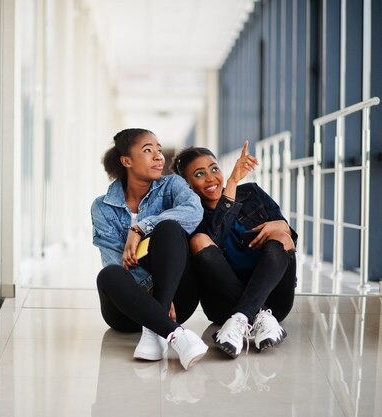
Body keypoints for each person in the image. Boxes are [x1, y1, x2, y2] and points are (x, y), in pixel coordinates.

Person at [91, 128, 208, 370]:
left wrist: (141, 227)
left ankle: (157, 329)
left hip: (177, 299)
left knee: (169, 229)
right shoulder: (102, 207)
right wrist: (150, 294)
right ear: (127, 161)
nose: (158, 156)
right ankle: (176, 335)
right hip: (126, 311)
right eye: (147, 150)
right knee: (109, 274)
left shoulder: (172, 185)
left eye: (158, 149)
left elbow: (194, 211)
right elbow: (114, 260)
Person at [172, 142, 297, 359]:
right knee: (199, 240)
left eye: (214, 169)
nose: (211, 178)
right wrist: (231, 183)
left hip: (274, 303)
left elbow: (287, 234)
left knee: (281, 236)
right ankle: (252, 316)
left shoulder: (252, 193)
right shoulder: (192, 215)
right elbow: (214, 239)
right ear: (187, 185)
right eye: (200, 174)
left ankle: (244, 317)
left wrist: (276, 226)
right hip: (223, 306)